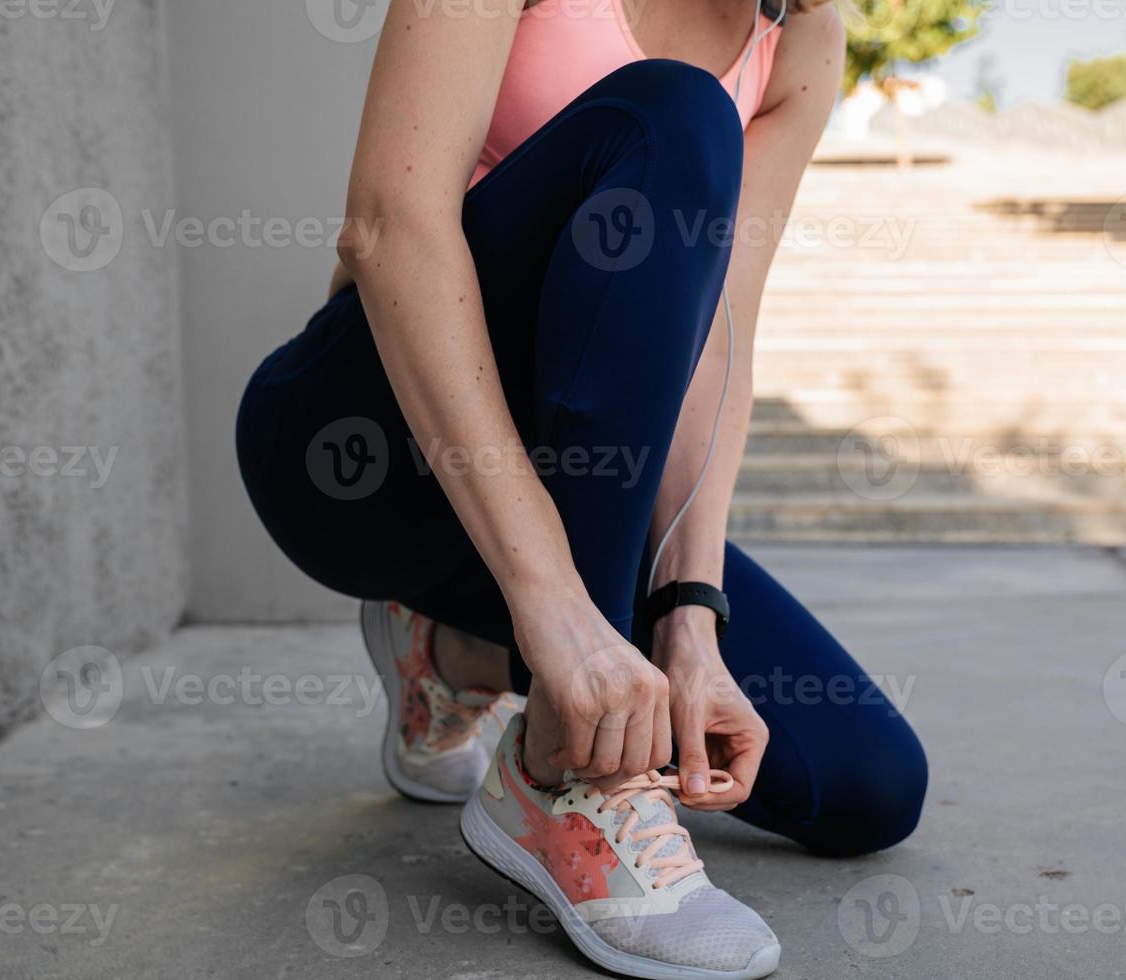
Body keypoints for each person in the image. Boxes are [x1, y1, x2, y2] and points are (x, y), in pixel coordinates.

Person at [235, 0, 927, 975]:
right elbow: (390, 231)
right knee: (672, 113)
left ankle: (454, 651)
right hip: (365, 460)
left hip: (582, 494)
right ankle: (572, 772)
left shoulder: (799, 34)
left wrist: (692, 614)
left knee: (866, 783)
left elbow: (721, 335)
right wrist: (555, 607)